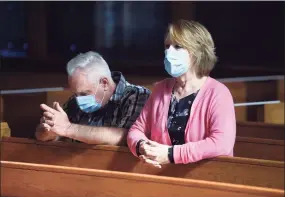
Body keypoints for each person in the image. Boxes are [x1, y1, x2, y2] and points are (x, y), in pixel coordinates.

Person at [127, 19, 236, 168]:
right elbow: (137, 130)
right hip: (162, 176)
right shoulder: (161, 89)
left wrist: (171, 154)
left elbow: (221, 143)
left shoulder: (218, 93)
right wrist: (142, 146)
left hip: (207, 177)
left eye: (178, 46)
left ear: (197, 52)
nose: (169, 52)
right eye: (167, 46)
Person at [35, 51, 151, 145]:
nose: (78, 99)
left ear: (104, 83)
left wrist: (68, 129)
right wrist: (47, 133)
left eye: (84, 94)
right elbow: (51, 132)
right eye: (75, 94)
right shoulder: (75, 101)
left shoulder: (137, 96)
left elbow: (126, 137)